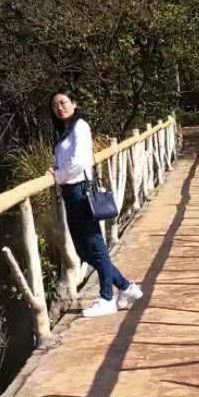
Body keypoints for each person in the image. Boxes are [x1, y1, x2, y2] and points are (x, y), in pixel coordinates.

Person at [50, 92, 143, 318]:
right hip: (70, 192)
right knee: (84, 249)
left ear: (74, 103)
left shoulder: (81, 126)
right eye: (55, 106)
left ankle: (107, 298)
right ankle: (126, 287)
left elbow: (79, 162)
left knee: (95, 244)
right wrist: (57, 172)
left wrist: (58, 175)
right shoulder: (66, 130)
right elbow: (65, 160)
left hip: (80, 190)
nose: (59, 108)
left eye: (63, 103)